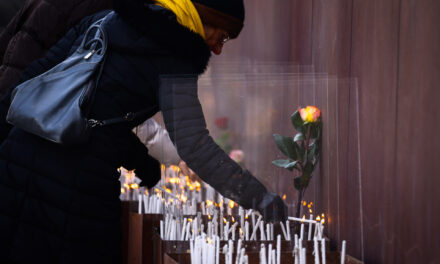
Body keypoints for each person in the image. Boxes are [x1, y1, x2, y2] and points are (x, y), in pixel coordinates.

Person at [0, 0, 287, 263]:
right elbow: (195, 146)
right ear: (203, 17)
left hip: (18, 161)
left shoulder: (105, 20)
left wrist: (140, 162)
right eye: (222, 36)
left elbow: (38, 80)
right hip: (77, 188)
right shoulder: (177, 58)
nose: (218, 49)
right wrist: (257, 197)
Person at [0, 0, 187, 170]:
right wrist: (149, 159)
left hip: (21, 118)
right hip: (44, 137)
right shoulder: (104, 11)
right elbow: (100, 105)